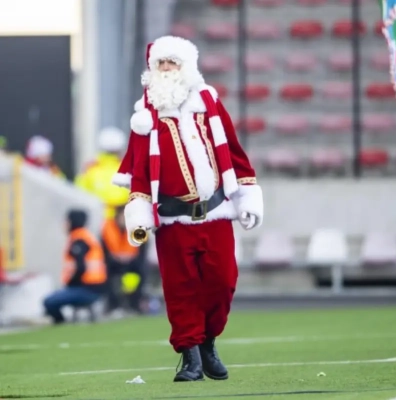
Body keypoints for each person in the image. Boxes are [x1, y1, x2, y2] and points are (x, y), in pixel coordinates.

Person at [113, 35, 264, 382]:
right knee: (180, 289)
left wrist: (247, 194)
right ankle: (190, 355)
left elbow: (233, 150)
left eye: (172, 62)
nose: (166, 69)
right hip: (173, 219)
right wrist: (140, 212)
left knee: (222, 282)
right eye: (160, 63)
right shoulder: (146, 114)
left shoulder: (208, 101)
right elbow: (140, 168)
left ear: (186, 66)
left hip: (215, 213)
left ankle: (208, 340)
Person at [43, 210, 107, 325]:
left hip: (87, 289)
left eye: (66, 221)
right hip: (94, 287)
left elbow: (80, 267)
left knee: (49, 302)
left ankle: (60, 323)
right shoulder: (86, 236)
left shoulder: (79, 239)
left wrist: (70, 283)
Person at [101, 204, 147, 315]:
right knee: (106, 274)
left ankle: (135, 304)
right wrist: (116, 258)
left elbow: (142, 250)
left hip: (132, 262)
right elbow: (104, 251)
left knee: (142, 272)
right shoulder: (107, 228)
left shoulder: (137, 228)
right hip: (114, 262)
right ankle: (113, 306)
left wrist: (130, 258)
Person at [75, 127, 130, 219]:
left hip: (97, 217)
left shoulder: (90, 168)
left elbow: (80, 192)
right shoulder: (128, 167)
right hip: (122, 218)